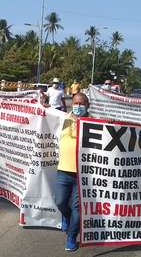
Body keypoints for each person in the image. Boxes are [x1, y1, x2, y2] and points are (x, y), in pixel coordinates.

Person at [55, 92, 89, 252]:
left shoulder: (93, 122)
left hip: (82, 175)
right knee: (60, 202)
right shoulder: (62, 118)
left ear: (87, 106)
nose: (78, 106)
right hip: (63, 170)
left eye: (81, 103)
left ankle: (71, 237)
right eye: (75, 103)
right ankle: (65, 216)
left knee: (77, 209)